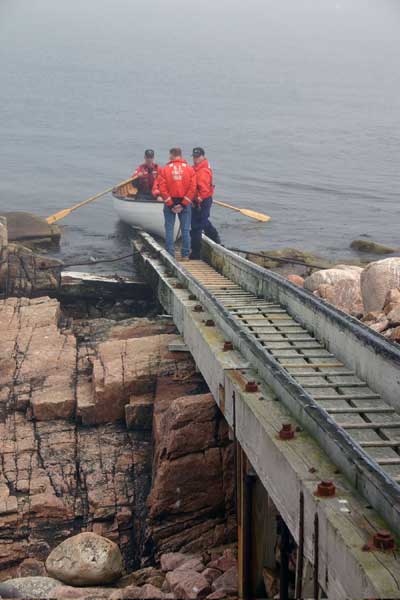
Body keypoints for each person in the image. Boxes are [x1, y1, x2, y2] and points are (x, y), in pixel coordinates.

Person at [157, 148, 196, 260]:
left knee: (169, 229)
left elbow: (162, 188)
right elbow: (192, 188)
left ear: (172, 155)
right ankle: (185, 255)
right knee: (185, 230)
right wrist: (183, 204)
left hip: (171, 202)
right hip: (185, 203)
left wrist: (170, 204)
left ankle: (170, 254)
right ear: (180, 155)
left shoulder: (165, 169)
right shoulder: (190, 169)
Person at [190, 147, 221, 260]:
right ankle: (215, 238)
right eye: (194, 157)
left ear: (203, 157)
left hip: (202, 201)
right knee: (202, 222)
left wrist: (198, 200)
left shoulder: (203, 171)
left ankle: (195, 253)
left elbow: (204, 189)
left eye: (197, 157)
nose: (195, 159)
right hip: (198, 200)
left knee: (196, 226)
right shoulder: (195, 168)